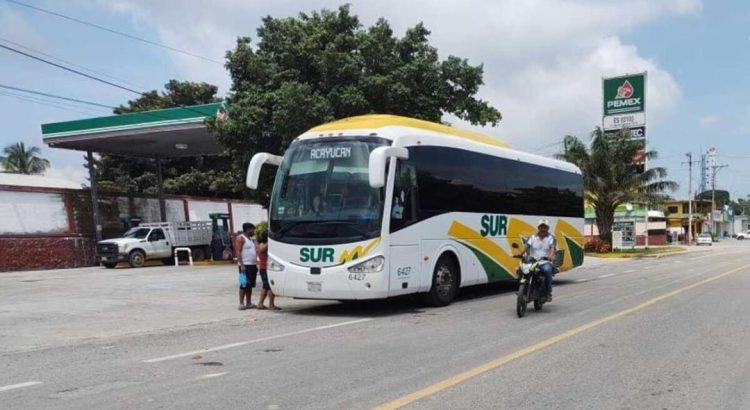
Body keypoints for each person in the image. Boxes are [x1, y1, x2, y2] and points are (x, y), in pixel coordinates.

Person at [522, 219, 557, 302]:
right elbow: (526, 246)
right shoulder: (532, 237)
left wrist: (550, 256)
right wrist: (521, 253)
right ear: (538, 228)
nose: (543, 229)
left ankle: (548, 293)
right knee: (522, 269)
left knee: (547, 270)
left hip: (544, 261)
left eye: (545, 227)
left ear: (548, 228)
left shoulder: (551, 238)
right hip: (533, 260)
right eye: (541, 227)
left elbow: (552, 248)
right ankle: (523, 289)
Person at [234, 223, 258, 310]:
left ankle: (248, 303)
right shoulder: (240, 238)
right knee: (243, 284)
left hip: (252, 265)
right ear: (248, 229)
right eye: (252, 229)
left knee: (250, 285)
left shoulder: (250, 239)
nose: (253, 231)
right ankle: (241, 303)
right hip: (245, 265)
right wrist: (242, 264)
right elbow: (238, 252)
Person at [255, 230, 279, 310]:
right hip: (264, 268)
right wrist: (271, 241)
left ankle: (261, 303)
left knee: (266, 286)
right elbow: (261, 249)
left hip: (267, 268)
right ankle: (269, 304)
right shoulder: (262, 244)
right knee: (269, 287)